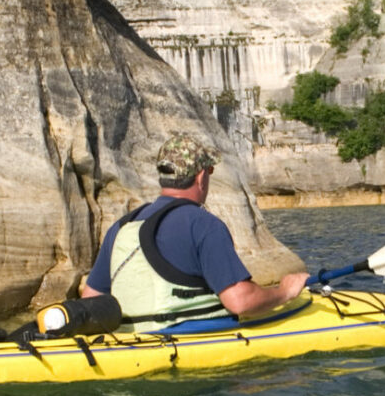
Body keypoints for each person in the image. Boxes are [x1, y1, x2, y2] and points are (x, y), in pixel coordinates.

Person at [79, 133, 309, 328]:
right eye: (208, 171)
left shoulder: (122, 226)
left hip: (128, 343)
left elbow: (91, 298)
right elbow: (240, 301)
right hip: (185, 341)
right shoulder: (203, 224)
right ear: (200, 177)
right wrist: (284, 292)